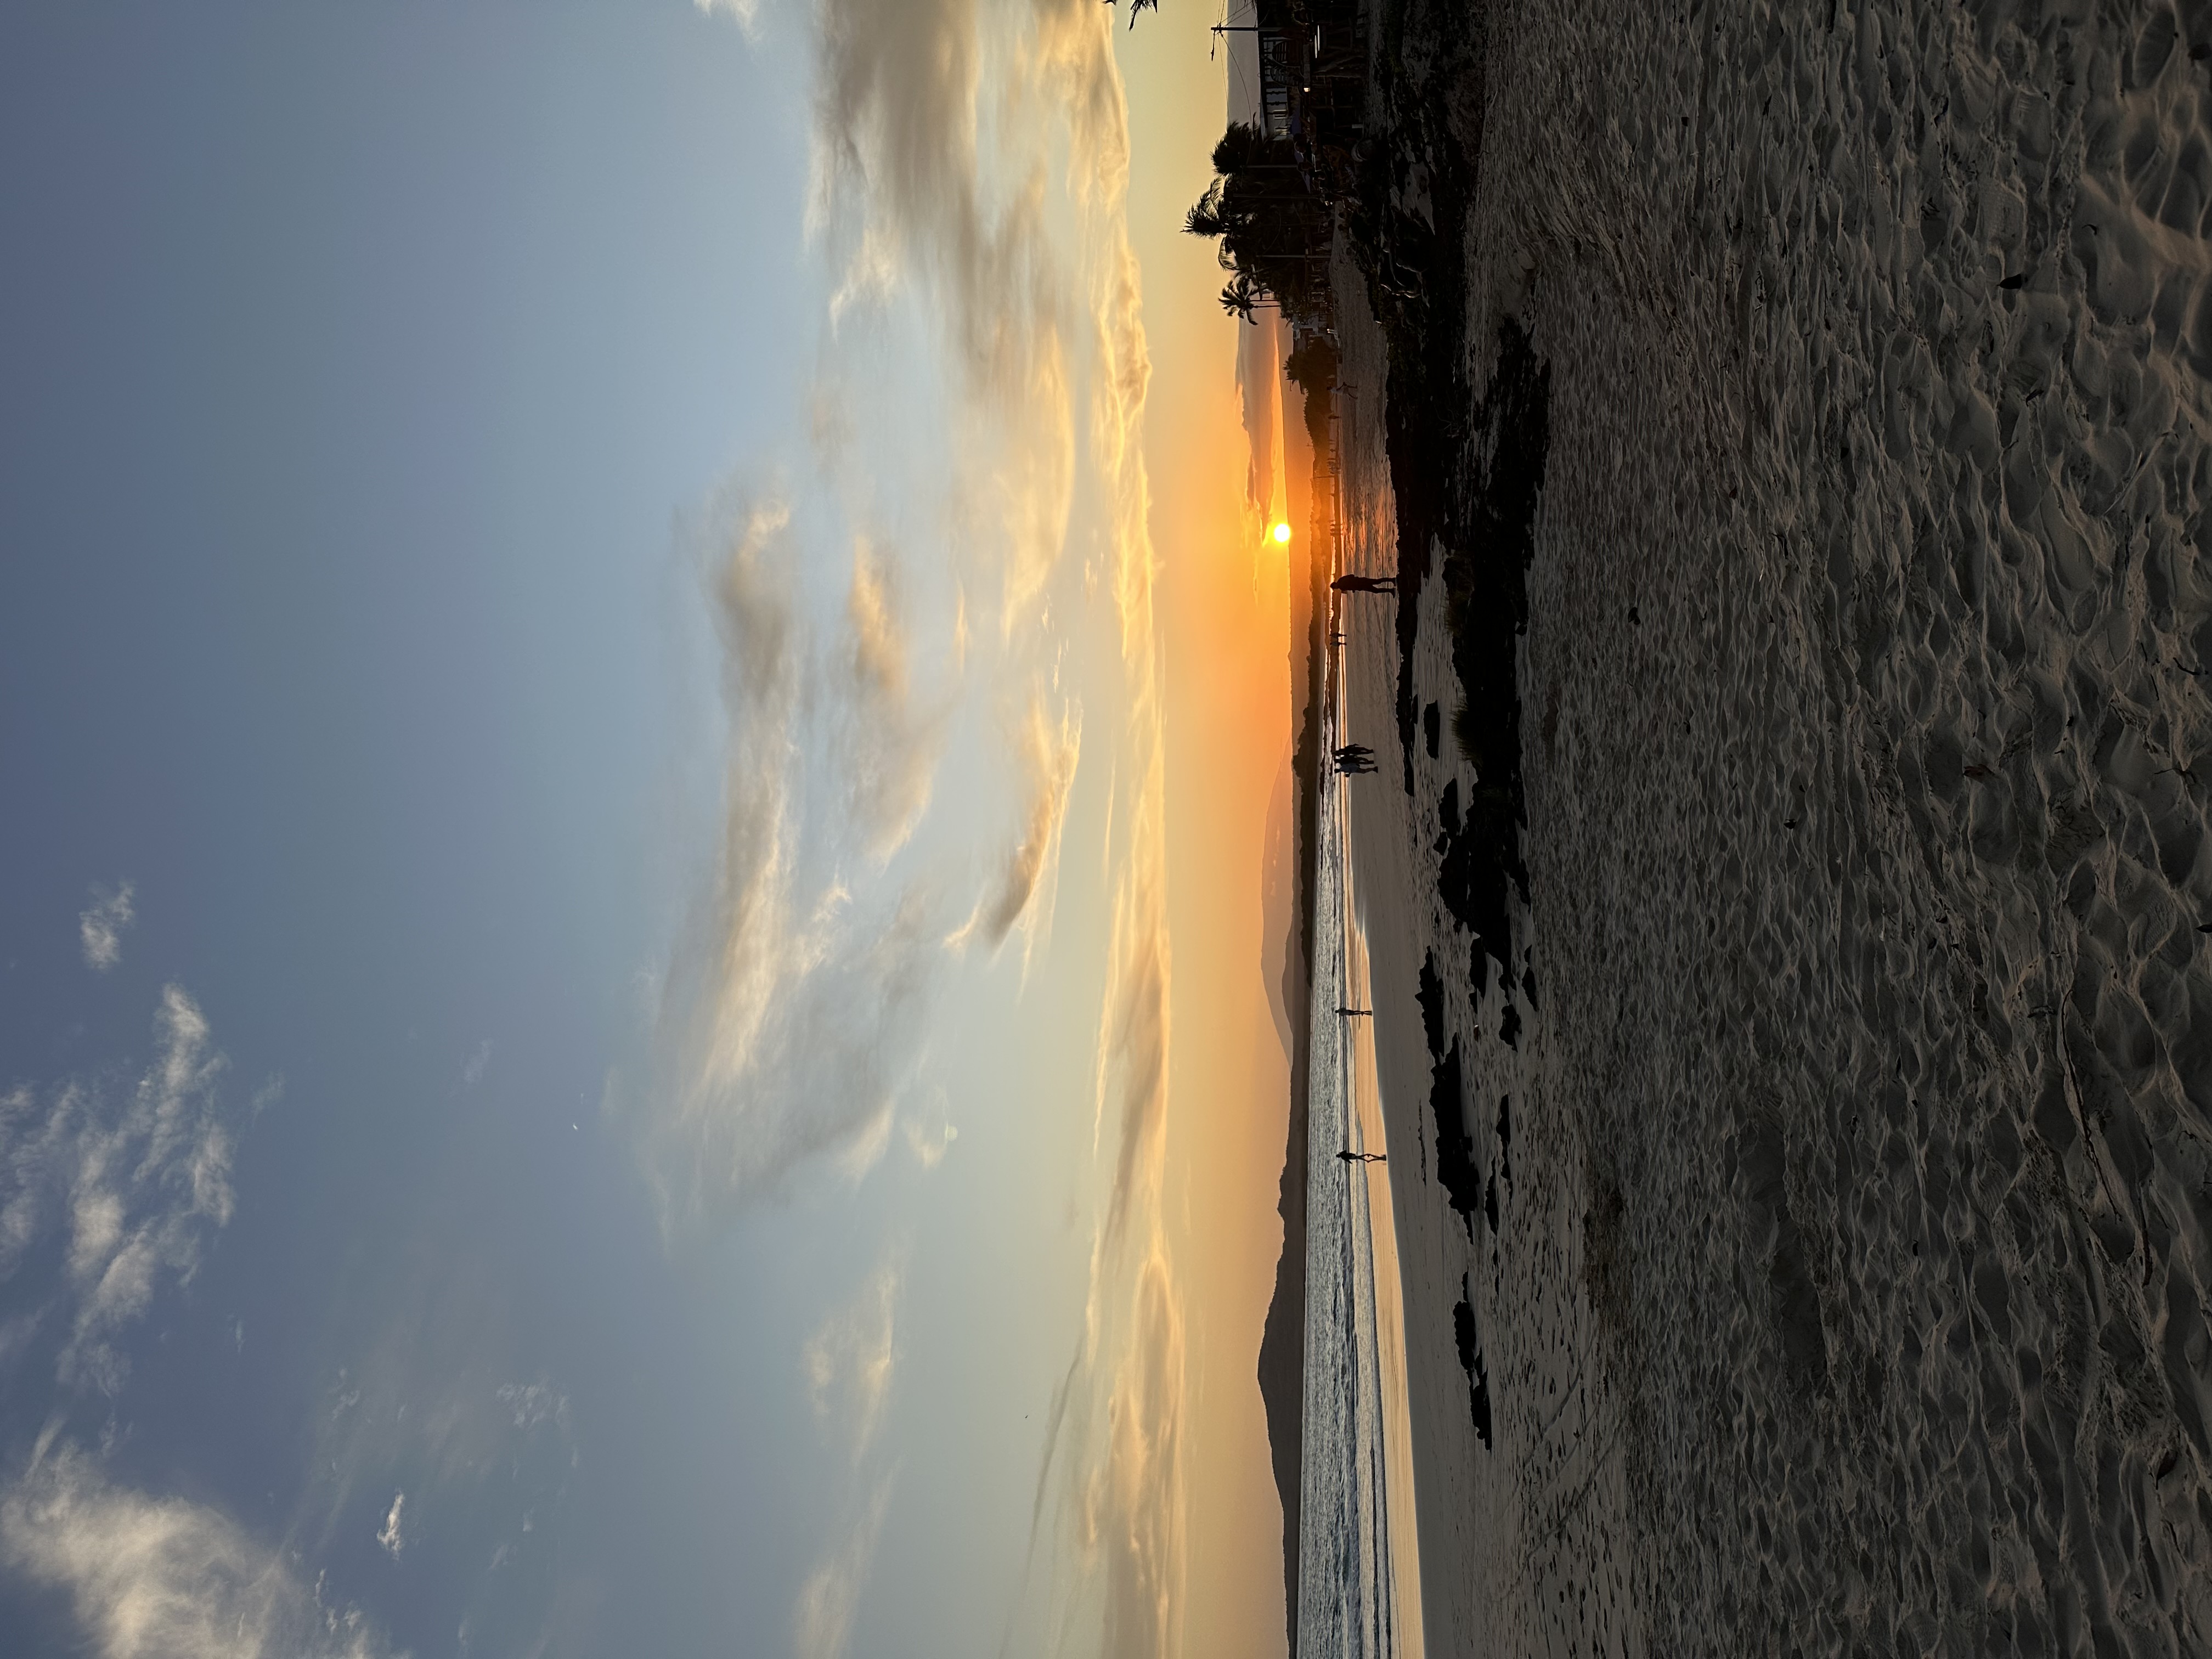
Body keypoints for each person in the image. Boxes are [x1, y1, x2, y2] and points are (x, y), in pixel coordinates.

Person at [1330, 573, 1396, 594]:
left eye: (1335, 588)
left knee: (1377, 582)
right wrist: (1354, 589)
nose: (1336, 589)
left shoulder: (1341, 581)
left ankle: (1392, 580)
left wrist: (1355, 582)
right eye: (1335, 589)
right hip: (1361, 587)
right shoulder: (1342, 588)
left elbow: (1351, 576)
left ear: (1335, 584)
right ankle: (1390, 590)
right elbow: (1350, 586)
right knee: (1376, 590)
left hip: (1362, 582)